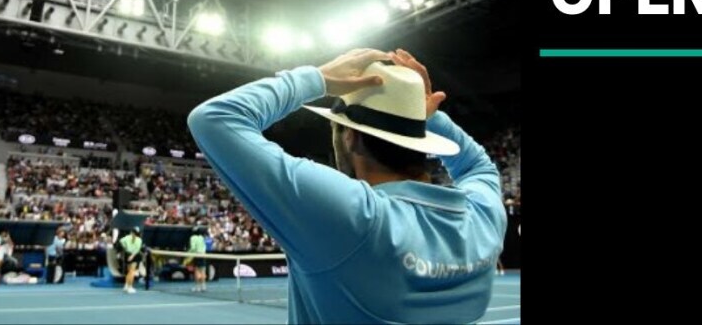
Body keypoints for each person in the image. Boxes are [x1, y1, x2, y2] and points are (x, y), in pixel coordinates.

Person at [188, 48, 507, 324]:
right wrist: (418, 116)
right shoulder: (482, 216)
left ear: (350, 137)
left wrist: (318, 78)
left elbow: (214, 118)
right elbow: (477, 165)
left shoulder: (355, 216)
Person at [117, 227, 143, 294]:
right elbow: (137, 250)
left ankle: (126, 286)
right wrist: (132, 256)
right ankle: (130, 287)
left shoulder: (127, 237)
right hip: (133, 255)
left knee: (129, 271)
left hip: (128, 254)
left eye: (135, 233)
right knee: (132, 271)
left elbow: (121, 241)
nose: (134, 234)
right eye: (134, 233)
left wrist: (125, 248)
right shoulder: (139, 239)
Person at [188, 226, 208, 292]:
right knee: (203, 271)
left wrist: (188, 253)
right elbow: (204, 246)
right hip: (203, 255)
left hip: (197, 255)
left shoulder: (192, 238)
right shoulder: (201, 237)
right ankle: (203, 286)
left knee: (197, 271)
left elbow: (193, 248)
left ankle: (197, 287)